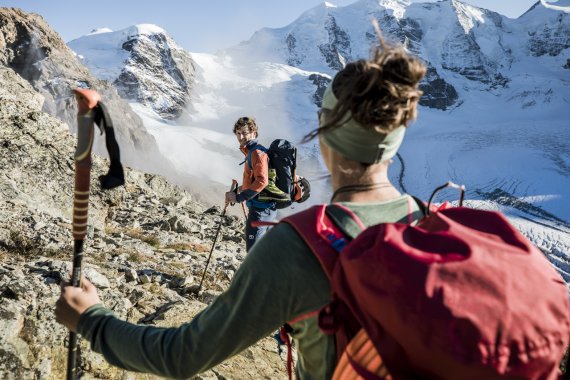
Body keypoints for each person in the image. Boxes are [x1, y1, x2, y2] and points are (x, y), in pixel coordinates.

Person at [55, 31, 569, 379]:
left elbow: (184, 356)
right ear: (396, 138)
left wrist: (91, 318)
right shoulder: (432, 226)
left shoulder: (300, 249)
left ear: (323, 139)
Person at [224, 116, 281, 252]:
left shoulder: (256, 152)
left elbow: (262, 181)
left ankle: (257, 273)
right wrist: (240, 189)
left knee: (253, 253)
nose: (241, 136)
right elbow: (255, 179)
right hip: (266, 210)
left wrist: (239, 198)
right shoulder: (252, 151)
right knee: (263, 252)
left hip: (260, 211)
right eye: (238, 133)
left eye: (244, 132)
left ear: (254, 133)